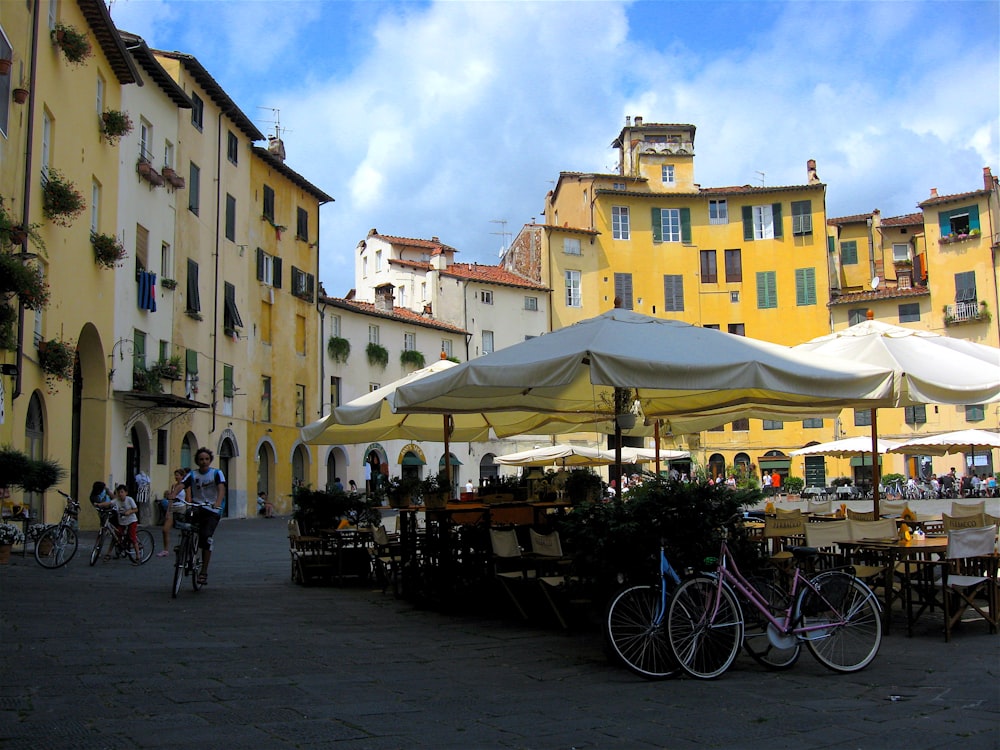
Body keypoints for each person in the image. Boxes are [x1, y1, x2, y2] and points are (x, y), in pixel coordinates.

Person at [183, 447, 226, 586]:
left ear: (210, 460)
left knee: (206, 538)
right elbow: (182, 484)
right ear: (197, 461)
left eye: (206, 459)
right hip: (197, 507)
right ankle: (185, 546)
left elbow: (221, 489)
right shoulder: (192, 474)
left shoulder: (216, 473)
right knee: (185, 524)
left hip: (212, 511)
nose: (204, 462)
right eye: (201, 459)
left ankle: (204, 571)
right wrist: (172, 495)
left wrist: (218, 503)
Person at [157, 468, 188, 557]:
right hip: (173, 508)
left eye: (177, 475)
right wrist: (168, 510)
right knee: (165, 529)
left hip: (181, 508)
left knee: (184, 530)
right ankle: (165, 550)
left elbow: (188, 498)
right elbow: (170, 498)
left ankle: (184, 547)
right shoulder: (173, 486)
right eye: (175, 475)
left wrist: (188, 509)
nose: (176, 477)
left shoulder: (186, 487)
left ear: (182, 476)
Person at [111, 484, 140, 560]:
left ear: (126, 493)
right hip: (122, 522)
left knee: (132, 537)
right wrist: (99, 505)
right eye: (118, 492)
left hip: (131, 520)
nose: (120, 494)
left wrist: (129, 511)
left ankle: (138, 555)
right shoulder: (117, 500)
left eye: (122, 492)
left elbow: (136, 509)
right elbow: (109, 503)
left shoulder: (129, 499)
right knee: (118, 534)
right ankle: (119, 551)